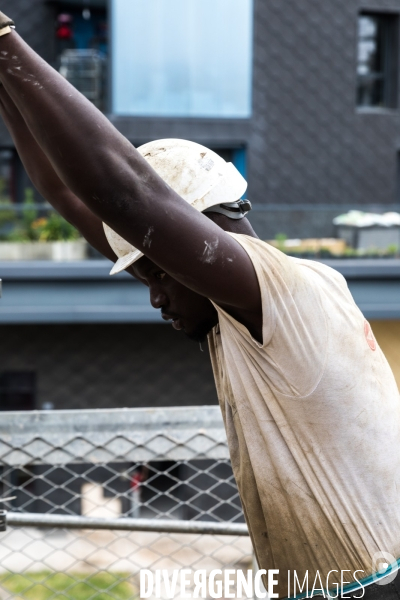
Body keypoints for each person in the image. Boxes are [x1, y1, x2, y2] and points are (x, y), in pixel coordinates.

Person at [0, 12, 399, 599]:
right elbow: (68, 191)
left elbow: (127, 190)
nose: (155, 297)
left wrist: (5, 39)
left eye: (159, 273)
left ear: (200, 236)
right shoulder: (251, 309)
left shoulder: (281, 293)